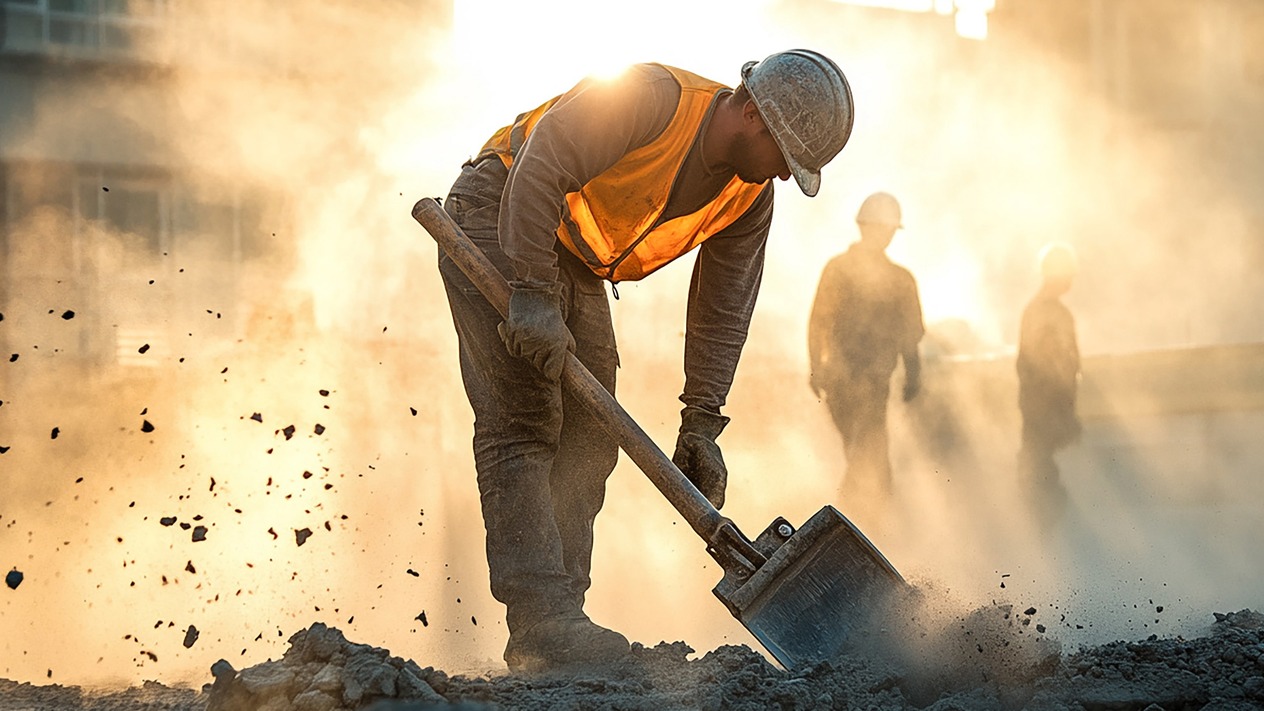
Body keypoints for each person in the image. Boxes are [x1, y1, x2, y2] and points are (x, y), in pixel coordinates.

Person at [434, 50, 855, 672]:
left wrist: (702, 424)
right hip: (501, 208)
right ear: (752, 116)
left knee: (593, 434)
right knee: (522, 419)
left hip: (572, 256)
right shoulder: (653, 98)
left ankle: (558, 628)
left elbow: (722, 310)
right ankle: (542, 622)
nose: (785, 177)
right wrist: (529, 293)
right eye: (785, 160)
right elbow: (543, 162)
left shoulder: (750, 199)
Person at [807, 192, 924, 509]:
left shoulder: (891, 278)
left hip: (864, 384)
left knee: (865, 457)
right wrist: (913, 376)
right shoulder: (895, 279)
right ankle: (859, 525)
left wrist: (817, 367)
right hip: (851, 383)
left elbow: (908, 335)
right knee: (868, 461)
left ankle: (862, 523)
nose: (883, 235)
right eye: (882, 228)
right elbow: (819, 322)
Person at [1016, 241, 1081, 523]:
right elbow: (1057, 367)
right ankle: (1045, 526)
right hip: (1046, 407)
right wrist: (1063, 408)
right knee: (1041, 472)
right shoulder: (1051, 313)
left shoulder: (1036, 310)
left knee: (1037, 466)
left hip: (1037, 407)